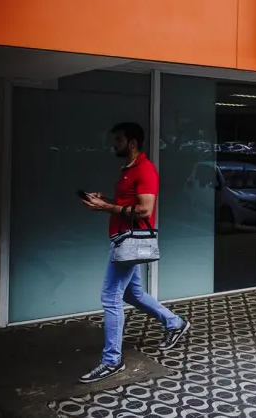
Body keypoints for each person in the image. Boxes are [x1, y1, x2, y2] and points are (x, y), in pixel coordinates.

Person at [78, 122, 190, 383]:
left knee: (110, 297)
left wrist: (106, 208)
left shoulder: (145, 169)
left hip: (129, 241)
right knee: (132, 293)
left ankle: (112, 361)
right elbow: (127, 205)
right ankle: (174, 323)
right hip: (122, 238)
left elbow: (145, 211)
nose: (113, 144)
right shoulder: (128, 169)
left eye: (118, 140)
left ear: (132, 143)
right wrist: (104, 201)